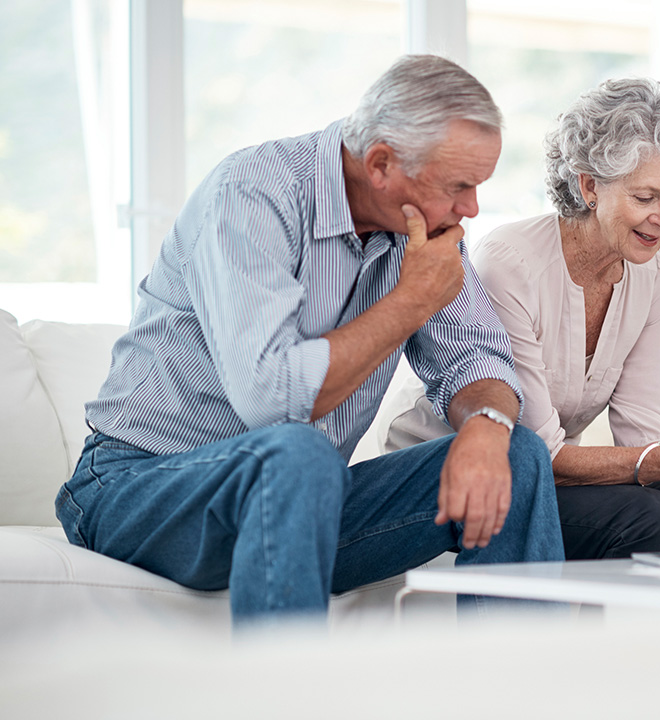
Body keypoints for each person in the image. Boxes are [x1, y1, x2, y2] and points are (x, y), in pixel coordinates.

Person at [53, 55, 565, 626]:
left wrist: (486, 427)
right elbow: (272, 399)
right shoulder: (252, 193)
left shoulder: (420, 225)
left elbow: (476, 356)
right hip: (141, 488)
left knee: (518, 452)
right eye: (459, 187)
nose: (470, 210)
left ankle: (516, 695)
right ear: (380, 164)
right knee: (298, 452)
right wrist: (412, 300)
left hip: (302, 501)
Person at [386, 78, 660, 560]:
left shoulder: (653, 276)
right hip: (472, 470)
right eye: (646, 197)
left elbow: (645, 432)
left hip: (551, 470)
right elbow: (539, 455)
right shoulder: (511, 263)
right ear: (589, 186)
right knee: (651, 516)